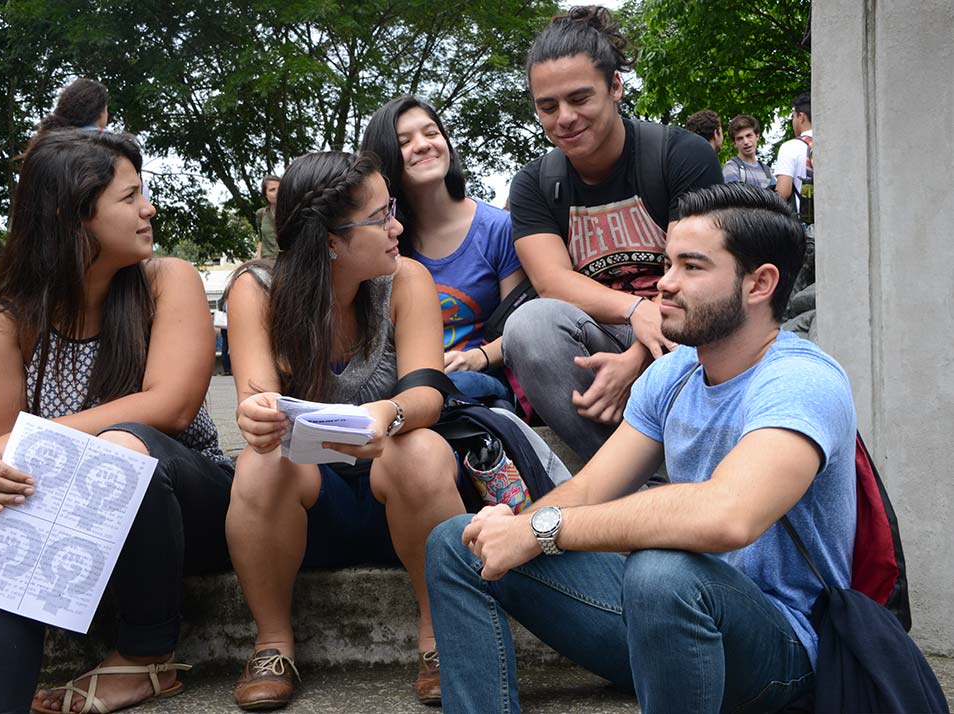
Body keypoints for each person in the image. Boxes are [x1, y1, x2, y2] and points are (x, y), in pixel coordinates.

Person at [426, 183, 856, 714]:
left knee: (660, 572)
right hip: (663, 622)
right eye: (667, 262)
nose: (665, 285)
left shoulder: (801, 381)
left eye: (692, 267)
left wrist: (541, 530)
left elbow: (728, 516)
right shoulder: (675, 372)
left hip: (779, 652)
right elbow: (586, 487)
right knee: (457, 541)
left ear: (759, 283)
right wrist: (515, 533)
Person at [0, 130, 234, 714]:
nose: (148, 209)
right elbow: (14, 464)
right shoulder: (0, 326)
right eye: (129, 197)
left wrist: (24, 443)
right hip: (86, 534)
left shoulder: (166, 280)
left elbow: (171, 406)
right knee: (5, 502)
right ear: (71, 215)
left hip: (196, 512)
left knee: (125, 443)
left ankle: (147, 654)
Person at [224, 151, 465, 709]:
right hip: (312, 503)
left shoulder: (407, 279)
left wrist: (388, 415)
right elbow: (256, 398)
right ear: (332, 241)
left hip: (399, 494)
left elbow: (428, 392)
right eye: (381, 217)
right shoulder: (257, 290)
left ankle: (440, 637)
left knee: (420, 449)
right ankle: (272, 644)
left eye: (393, 210)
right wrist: (256, 416)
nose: (397, 227)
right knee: (258, 462)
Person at [502, 5, 722, 462]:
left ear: (615, 87)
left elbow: (699, 272)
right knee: (527, 326)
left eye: (579, 98)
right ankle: (625, 483)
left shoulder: (681, 155)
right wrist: (635, 311)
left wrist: (638, 356)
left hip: (687, 334)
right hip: (601, 339)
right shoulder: (532, 185)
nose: (564, 117)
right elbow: (552, 282)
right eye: (548, 106)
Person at [361, 96, 525, 404]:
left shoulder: (499, 228)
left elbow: (521, 329)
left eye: (432, 133)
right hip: (403, 384)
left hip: (479, 383)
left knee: (453, 386)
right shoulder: (379, 240)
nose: (423, 145)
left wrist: (478, 357)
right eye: (404, 141)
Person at [774, 93, 813, 208]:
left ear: (801, 117)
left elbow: (783, 192)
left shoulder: (790, 147)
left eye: (793, 116)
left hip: (806, 221)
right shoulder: (830, 144)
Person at [723, 114, 776, 189]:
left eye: (749, 136)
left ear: (757, 136)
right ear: (735, 143)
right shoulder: (732, 168)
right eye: (740, 138)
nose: (746, 142)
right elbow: (733, 200)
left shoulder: (767, 172)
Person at [254, 175, 281, 259]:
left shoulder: (292, 212)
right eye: (272, 190)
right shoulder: (261, 213)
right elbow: (261, 239)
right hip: (267, 262)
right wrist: (257, 261)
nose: (277, 192)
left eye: (280, 189)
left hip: (288, 262)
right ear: (265, 194)